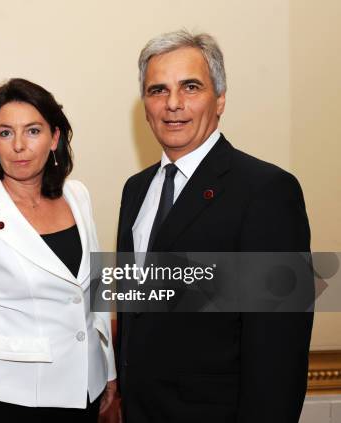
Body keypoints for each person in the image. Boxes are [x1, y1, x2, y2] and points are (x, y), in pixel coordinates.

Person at [116, 30, 312, 422]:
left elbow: (279, 352)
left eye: (190, 87)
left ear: (220, 98)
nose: (173, 104)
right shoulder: (135, 190)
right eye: (158, 90)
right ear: (145, 105)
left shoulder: (267, 191)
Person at [0, 78, 116, 423]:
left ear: (55, 138)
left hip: (85, 389)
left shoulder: (77, 195)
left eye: (33, 131)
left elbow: (98, 286)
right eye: (5, 133)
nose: (19, 145)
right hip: (15, 402)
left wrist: (107, 370)